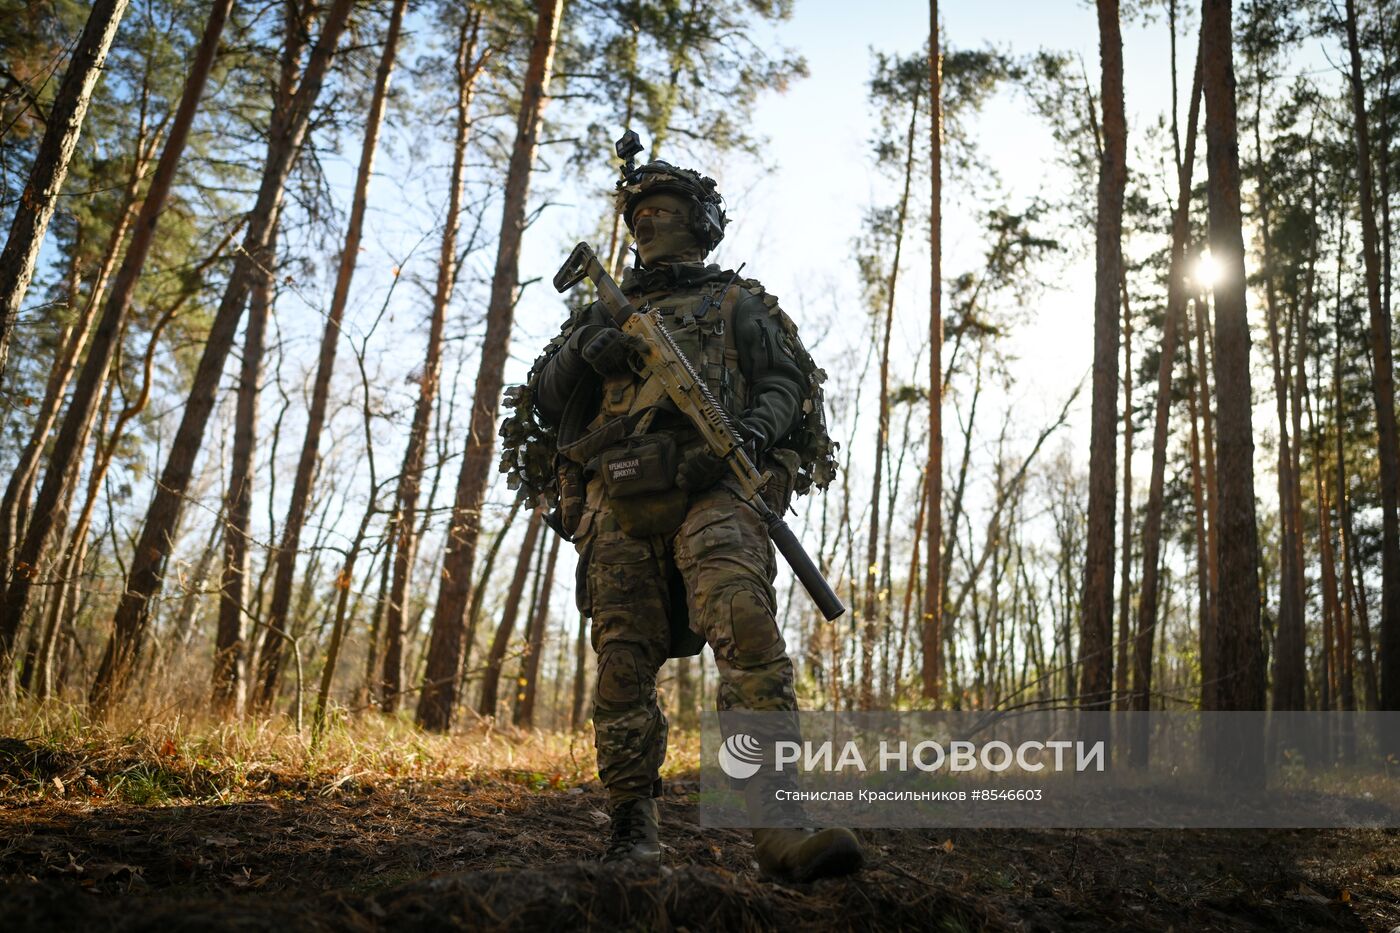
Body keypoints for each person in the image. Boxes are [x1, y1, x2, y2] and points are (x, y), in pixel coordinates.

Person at [509, 154, 862, 882]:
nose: (653, 223)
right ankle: (631, 827)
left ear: (700, 224)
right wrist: (584, 349)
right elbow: (543, 400)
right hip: (617, 499)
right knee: (621, 664)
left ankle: (777, 820)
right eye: (641, 215)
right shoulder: (600, 311)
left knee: (745, 622)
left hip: (715, 487)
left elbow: (789, 384)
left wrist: (750, 438)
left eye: (668, 210)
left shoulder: (739, 303)